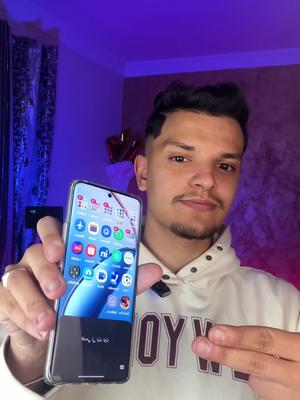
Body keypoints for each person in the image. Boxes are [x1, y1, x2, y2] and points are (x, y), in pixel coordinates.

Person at [1, 82, 300, 400]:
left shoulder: (284, 306)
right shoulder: (62, 281)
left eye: (225, 166)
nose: (207, 179)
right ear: (142, 173)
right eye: (181, 158)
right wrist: (28, 358)